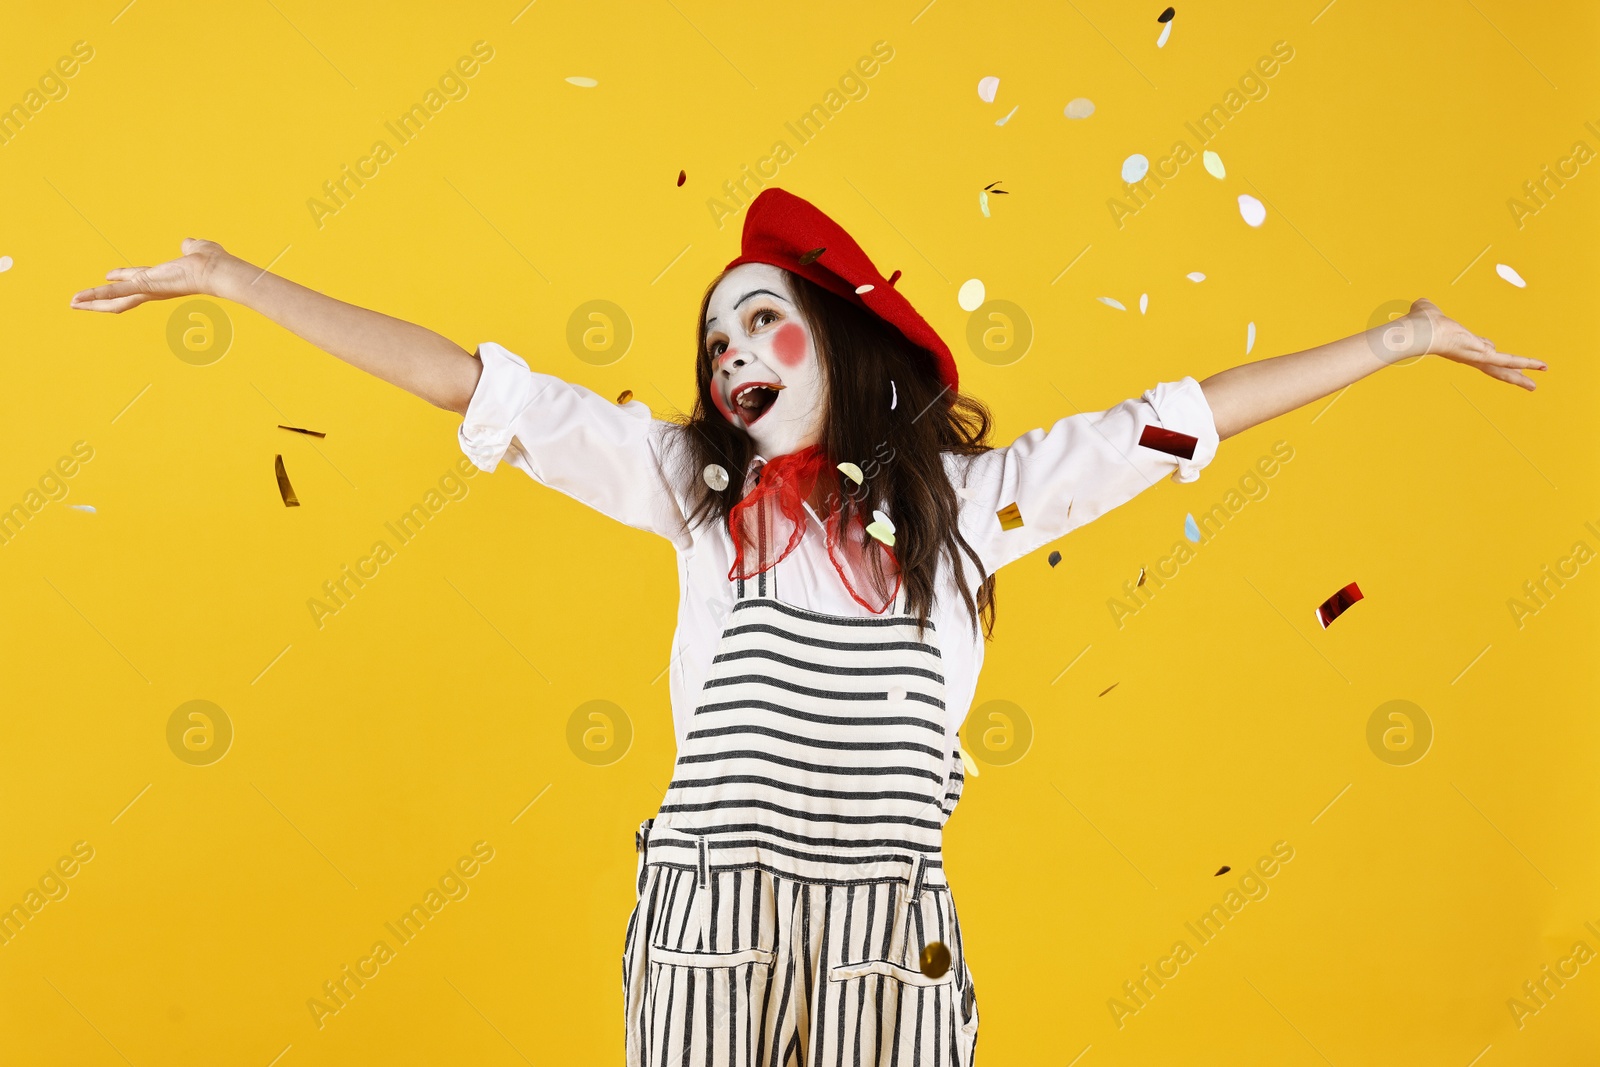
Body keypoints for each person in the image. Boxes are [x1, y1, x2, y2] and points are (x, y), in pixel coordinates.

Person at [70, 186, 1543, 1065]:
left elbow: (1176, 422)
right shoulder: (685, 491)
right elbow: (475, 390)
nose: (727, 356)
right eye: (713, 340)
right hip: (708, 914)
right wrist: (230, 281)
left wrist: (1400, 339)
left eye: (759, 321)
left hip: (887, 932)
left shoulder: (985, 503)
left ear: (837, 339)